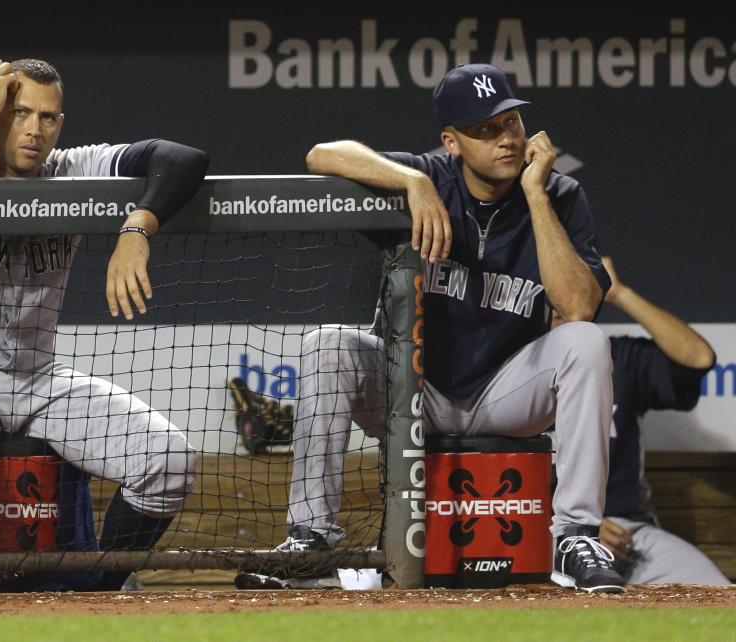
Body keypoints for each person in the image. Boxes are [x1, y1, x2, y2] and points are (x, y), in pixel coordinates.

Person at [235, 63, 623, 593]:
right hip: (411, 392)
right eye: (484, 130)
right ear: (452, 142)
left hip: (504, 393)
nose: (505, 140)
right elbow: (321, 154)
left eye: (510, 123)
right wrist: (411, 181)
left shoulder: (559, 194)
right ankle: (312, 540)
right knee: (328, 344)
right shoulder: (427, 177)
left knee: (586, 341)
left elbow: (578, 306)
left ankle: (574, 537)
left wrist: (536, 197)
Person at [0, 58, 209, 592]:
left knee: (168, 460)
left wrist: (138, 228)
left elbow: (183, 158)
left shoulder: (73, 167)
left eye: (47, 117)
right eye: (19, 112)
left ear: (60, 125)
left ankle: (97, 599)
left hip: (40, 378)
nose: (34, 129)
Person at [593, 256, 729, 585]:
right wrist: (571, 527)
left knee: (718, 600)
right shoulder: (513, 364)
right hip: (543, 533)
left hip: (629, 532)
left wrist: (619, 293)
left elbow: (698, 358)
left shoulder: (619, 357)